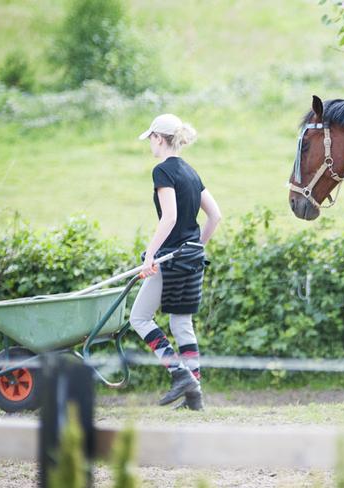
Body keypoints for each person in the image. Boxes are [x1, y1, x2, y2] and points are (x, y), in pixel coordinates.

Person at [129, 113, 221, 410]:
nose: (150, 145)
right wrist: (195, 246)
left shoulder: (163, 172)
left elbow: (168, 217)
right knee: (181, 323)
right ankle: (195, 395)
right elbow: (215, 216)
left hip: (171, 259)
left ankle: (179, 374)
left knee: (139, 318)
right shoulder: (191, 172)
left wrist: (150, 256)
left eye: (151, 139)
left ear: (159, 138)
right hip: (192, 258)